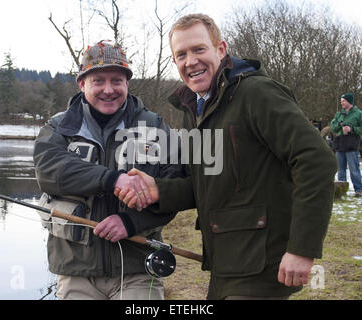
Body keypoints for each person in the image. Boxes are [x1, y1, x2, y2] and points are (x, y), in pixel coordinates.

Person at [116, 14, 338, 300]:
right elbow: (205, 183)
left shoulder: (257, 93)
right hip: (225, 267)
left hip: (261, 267)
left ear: (220, 50)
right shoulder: (193, 110)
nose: (191, 61)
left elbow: (317, 161)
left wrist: (302, 249)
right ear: (175, 62)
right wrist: (159, 190)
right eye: (181, 54)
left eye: (199, 49)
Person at [33, 40, 183, 300]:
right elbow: (48, 169)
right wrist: (112, 179)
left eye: (117, 80)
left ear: (127, 83)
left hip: (138, 270)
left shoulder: (156, 128)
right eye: (98, 81)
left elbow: (176, 187)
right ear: (82, 84)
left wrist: (130, 222)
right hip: (75, 271)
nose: (108, 89)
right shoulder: (58, 127)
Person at [330, 93, 362, 196]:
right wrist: (339, 125)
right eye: (341, 101)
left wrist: (351, 129)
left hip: (351, 144)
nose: (341, 103)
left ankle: (358, 190)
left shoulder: (358, 114)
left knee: (354, 169)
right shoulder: (339, 114)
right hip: (340, 144)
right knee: (340, 170)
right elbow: (333, 126)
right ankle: (341, 191)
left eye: (343, 101)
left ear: (349, 101)